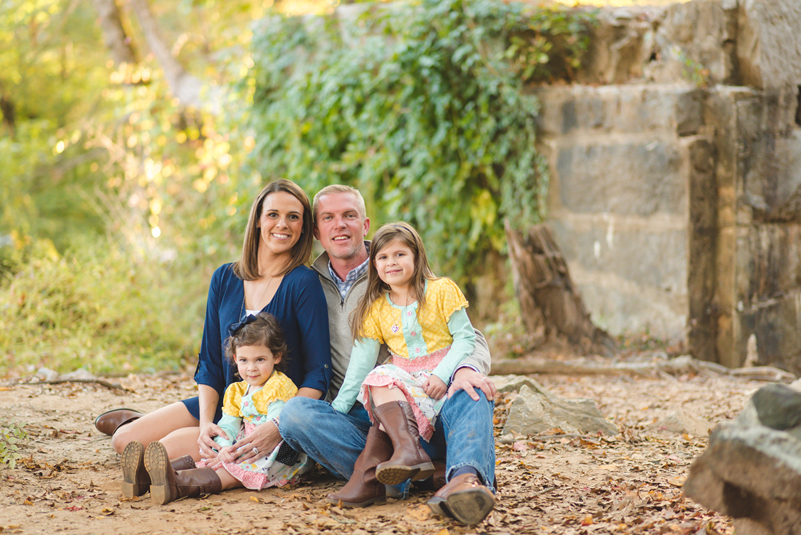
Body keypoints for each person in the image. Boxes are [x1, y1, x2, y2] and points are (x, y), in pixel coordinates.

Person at [96, 179, 331, 496]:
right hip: (224, 401)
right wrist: (207, 423)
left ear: (303, 227)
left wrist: (277, 427)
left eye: (294, 217)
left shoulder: (303, 282)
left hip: (267, 411)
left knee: (158, 454)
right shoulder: (225, 277)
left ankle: (170, 431)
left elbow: (319, 373)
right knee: (123, 441)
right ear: (258, 219)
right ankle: (141, 421)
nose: (283, 224)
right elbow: (208, 360)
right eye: (273, 214)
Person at [279, 185, 496, 526]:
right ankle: (417, 472)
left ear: (364, 224)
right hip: (365, 415)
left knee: (473, 390)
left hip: (431, 395)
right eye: (328, 218)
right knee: (296, 415)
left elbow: (467, 336)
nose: (340, 225)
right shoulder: (304, 282)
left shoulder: (396, 263)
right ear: (317, 232)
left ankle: (462, 479)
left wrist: (466, 368)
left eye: (349, 215)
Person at [330, 221, 476, 494]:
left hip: (442, 381)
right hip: (406, 388)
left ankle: (370, 478)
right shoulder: (375, 309)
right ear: (375, 265)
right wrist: (338, 408)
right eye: (383, 257)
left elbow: (466, 338)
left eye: (400, 255)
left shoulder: (441, 290)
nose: (391, 263)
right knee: (378, 378)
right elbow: (361, 365)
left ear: (416, 257)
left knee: (384, 400)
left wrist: (442, 374)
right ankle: (405, 457)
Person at [121, 311, 312, 504]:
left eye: (260, 360)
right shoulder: (236, 391)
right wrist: (224, 447)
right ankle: (148, 477)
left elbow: (274, 422)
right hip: (244, 442)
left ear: (277, 357)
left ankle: (177, 485)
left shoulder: (278, 386)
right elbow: (228, 424)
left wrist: (237, 452)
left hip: (271, 449)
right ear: (236, 358)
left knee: (232, 472)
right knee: (212, 461)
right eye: (244, 360)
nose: (251, 368)